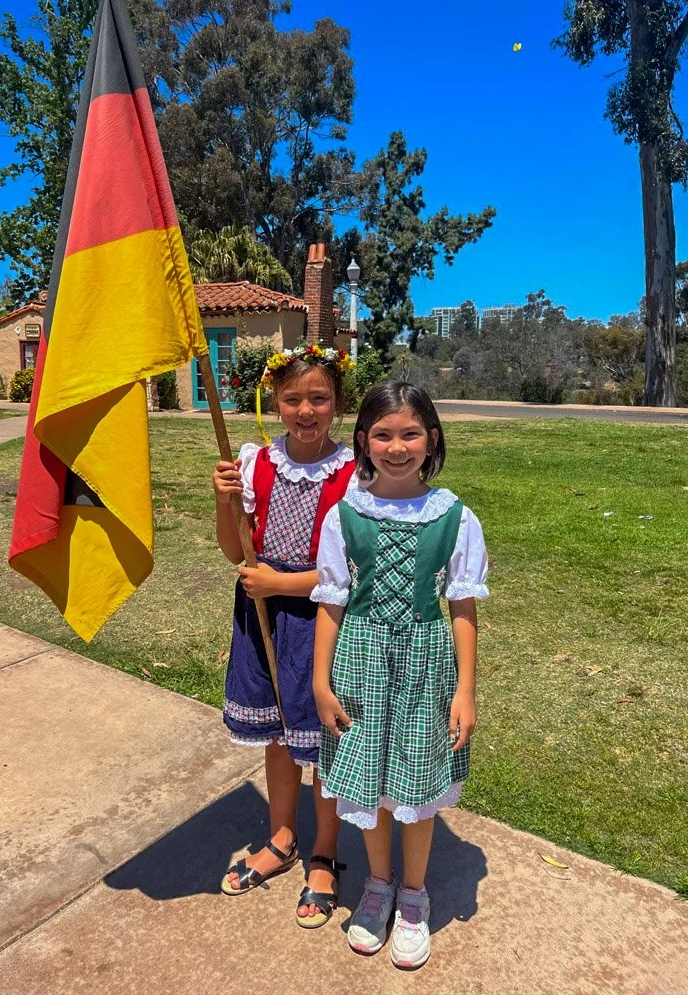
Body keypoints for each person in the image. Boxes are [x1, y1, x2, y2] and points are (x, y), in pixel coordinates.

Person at [312, 380, 489, 969]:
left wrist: (465, 689)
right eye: (383, 434)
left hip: (424, 665)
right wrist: (319, 681)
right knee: (368, 781)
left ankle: (413, 894)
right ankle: (378, 883)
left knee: (416, 784)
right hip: (358, 664)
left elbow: (462, 608)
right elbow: (332, 602)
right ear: (363, 441)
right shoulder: (345, 515)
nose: (396, 446)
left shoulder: (455, 517)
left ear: (431, 439)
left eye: (410, 433)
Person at [213, 343, 356, 928]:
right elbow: (232, 551)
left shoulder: (354, 473)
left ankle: (324, 851)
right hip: (263, 618)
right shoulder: (253, 463)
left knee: (324, 738)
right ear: (273, 402)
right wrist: (224, 503)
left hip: (325, 619)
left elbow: (352, 570)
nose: (305, 410)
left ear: (337, 404)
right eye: (293, 398)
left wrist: (281, 582)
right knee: (277, 732)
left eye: (318, 398)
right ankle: (280, 837)